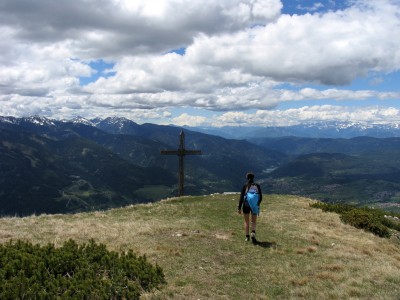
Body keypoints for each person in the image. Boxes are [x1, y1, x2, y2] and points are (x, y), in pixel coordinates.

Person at [238, 172, 262, 243]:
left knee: (246, 221)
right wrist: (257, 204)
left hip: (246, 205)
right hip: (254, 206)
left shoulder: (245, 186)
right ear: (253, 178)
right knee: (253, 221)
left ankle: (247, 237)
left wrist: (239, 207)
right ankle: (253, 233)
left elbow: (241, 198)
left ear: (247, 178)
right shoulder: (257, 186)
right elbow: (260, 197)